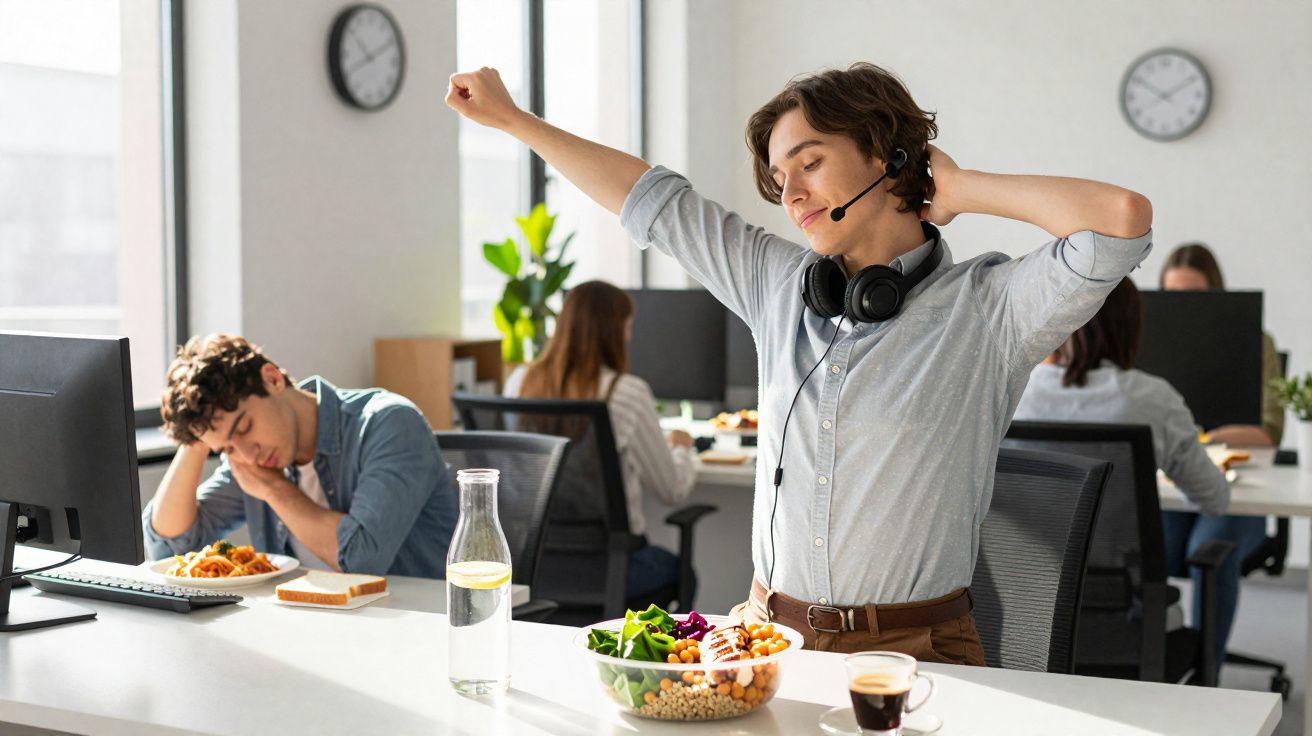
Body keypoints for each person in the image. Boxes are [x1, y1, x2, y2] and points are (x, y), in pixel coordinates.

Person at [447, 62, 1153, 662]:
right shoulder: (780, 285)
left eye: (810, 162)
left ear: (885, 156)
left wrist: (961, 189)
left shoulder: (991, 308)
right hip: (763, 637)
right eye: (781, 176)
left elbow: (1121, 219)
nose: (790, 194)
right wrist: (514, 121)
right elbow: (651, 201)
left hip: (916, 651)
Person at [1013, 278, 1251, 677]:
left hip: (1028, 623)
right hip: (1131, 628)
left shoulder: (1014, 392)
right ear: (1131, 326)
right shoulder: (1152, 399)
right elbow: (1214, 499)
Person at [144, 334, 457, 577]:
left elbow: (361, 558)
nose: (247, 456)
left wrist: (274, 489)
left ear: (273, 379)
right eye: (226, 448)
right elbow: (171, 544)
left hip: (410, 631)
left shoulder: (389, 424)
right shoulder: (250, 457)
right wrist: (198, 435)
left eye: (244, 427)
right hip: (306, 636)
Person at [503, 280, 698, 604]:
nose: (629, 335)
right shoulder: (626, 392)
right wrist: (680, 447)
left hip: (534, 566)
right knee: (682, 573)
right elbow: (672, 490)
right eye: (627, 326)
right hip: (613, 568)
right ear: (612, 330)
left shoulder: (518, 382)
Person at [1160, 242, 1284, 447]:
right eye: (1171, 295)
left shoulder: (1259, 343)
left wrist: (1205, 441)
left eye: (1195, 295)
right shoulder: (1144, 343)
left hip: (1238, 461)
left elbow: (1270, 433)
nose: (1183, 306)